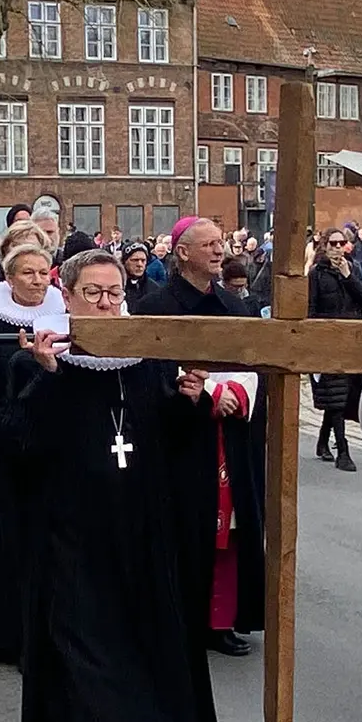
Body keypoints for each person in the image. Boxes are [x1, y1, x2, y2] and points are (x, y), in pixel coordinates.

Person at [13, 248, 229, 722]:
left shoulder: (147, 363)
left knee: (150, 664)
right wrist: (47, 380)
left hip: (142, 543)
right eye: (94, 295)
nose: (108, 304)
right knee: (89, 676)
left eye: (115, 294)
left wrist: (188, 402)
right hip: (75, 549)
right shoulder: (42, 361)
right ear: (68, 296)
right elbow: (22, 450)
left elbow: (169, 446)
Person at [134, 216, 265, 658]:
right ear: (182, 252)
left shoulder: (235, 305)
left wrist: (232, 394)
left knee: (230, 527)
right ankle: (180, 615)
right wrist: (206, 394)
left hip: (231, 434)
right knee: (184, 527)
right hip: (181, 438)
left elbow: (251, 363)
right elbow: (152, 370)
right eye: (207, 244)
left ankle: (220, 619)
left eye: (221, 243)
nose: (218, 250)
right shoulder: (156, 307)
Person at [0, 243, 66, 664]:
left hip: (48, 449)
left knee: (42, 544)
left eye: (44, 273)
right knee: (1, 541)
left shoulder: (62, 321)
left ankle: (41, 634)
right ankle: (1, 632)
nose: (38, 280)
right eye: (28, 273)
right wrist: (9, 425)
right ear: (9, 278)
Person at [309, 227, 362, 472]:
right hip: (328, 342)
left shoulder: (354, 268)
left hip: (353, 340)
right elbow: (311, 310)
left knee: (343, 395)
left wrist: (348, 276)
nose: (337, 248)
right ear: (325, 246)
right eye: (333, 243)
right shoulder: (316, 274)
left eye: (341, 243)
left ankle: (322, 442)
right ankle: (343, 451)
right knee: (336, 395)